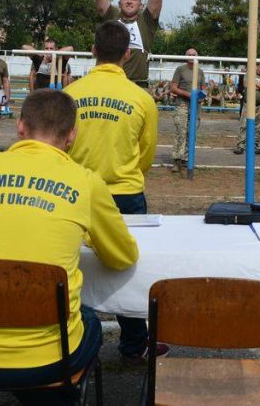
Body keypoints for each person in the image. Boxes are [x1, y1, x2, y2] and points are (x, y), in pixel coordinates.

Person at [0, 88, 139, 405]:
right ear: (71, 135)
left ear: (20, 127)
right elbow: (122, 258)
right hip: (49, 359)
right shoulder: (84, 181)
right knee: (87, 319)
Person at [64, 21, 159, 362]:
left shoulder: (71, 94)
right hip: (125, 194)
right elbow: (145, 153)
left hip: (74, 191)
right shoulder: (141, 98)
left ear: (93, 52)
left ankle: (67, 336)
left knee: (66, 262)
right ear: (127, 54)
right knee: (126, 271)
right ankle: (134, 345)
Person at [169, 47, 202, 170]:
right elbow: (173, 87)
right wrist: (188, 94)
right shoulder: (180, 69)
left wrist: (200, 96)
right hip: (182, 104)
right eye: (190, 54)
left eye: (194, 54)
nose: (192, 56)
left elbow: (203, 88)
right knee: (181, 132)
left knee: (191, 132)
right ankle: (177, 160)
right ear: (186, 56)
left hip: (196, 106)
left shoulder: (200, 71)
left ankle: (186, 159)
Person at [233, 64, 260, 155]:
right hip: (248, 104)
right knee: (244, 125)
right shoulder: (249, 74)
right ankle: (240, 145)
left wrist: (254, 83)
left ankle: (254, 145)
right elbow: (246, 85)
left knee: (258, 127)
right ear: (257, 66)